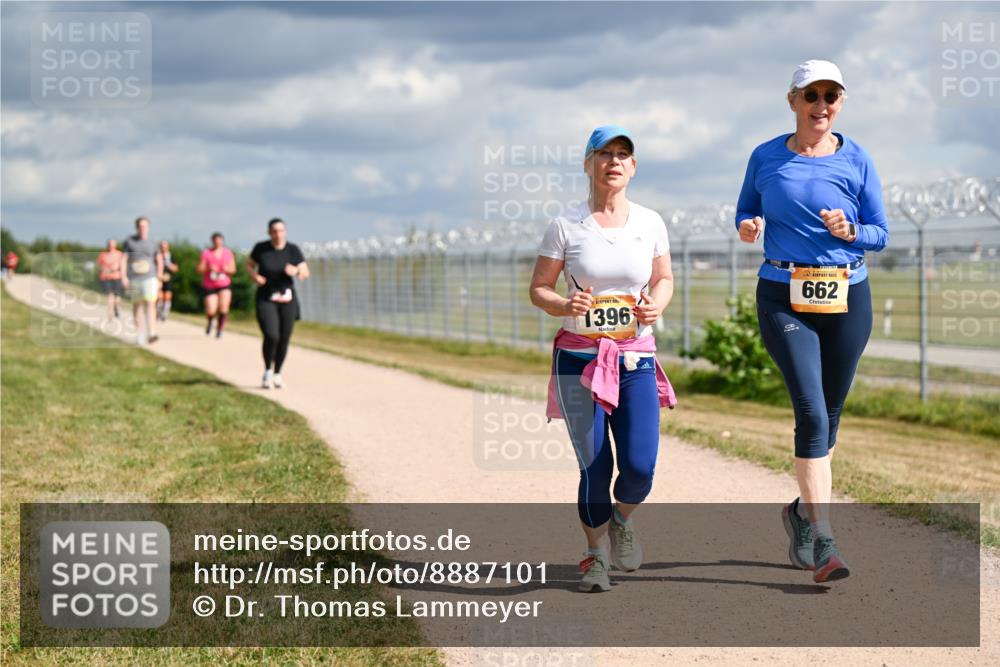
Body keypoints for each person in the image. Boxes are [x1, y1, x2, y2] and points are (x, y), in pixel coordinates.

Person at [735, 60, 888, 583]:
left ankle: (799, 511)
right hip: (784, 293)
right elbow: (744, 212)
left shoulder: (858, 158)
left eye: (832, 96)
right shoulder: (766, 156)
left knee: (832, 411)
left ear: (840, 102)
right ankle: (824, 539)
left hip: (848, 294)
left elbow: (881, 233)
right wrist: (749, 225)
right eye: (812, 95)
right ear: (793, 100)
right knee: (812, 412)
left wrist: (851, 231)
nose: (822, 105)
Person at [529, 125, 677, 593]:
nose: (614, 161)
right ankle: (594, 556)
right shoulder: (565, 225)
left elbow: (664, 279)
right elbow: (538, 289)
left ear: (633, 167)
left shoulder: (650, 222)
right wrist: (563, 304)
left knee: (640, 466)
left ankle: (622, 520)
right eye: (604, 154)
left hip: (635, 358)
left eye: (623, 155)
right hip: (580, 360)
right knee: (595, 465)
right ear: (588, 164)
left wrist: (657, 303)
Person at [247, 218, 309, 389]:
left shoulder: (292, 250)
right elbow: (249, 266)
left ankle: (278, 373)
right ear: (269, 232)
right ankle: (267, 370)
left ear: (285, 232)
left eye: (281, 230)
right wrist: (255, 276)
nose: (278, 234)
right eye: (274, 231)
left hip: (287, 299)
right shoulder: (261, 248)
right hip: (266, 298)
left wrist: (296, 271)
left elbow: (305, 272)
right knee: (271, 335)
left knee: (284, 338)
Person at [120, 217, 164, 345]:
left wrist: (159, 278)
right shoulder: (130, 242)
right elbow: (124, 259)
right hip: (134, 278)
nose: (142, 228)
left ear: (148, 227)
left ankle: (152, 332)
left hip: (150, 277)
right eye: (140, 226)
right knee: (137, 305)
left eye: (145, 226)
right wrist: (124, 276)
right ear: (136, 227)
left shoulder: (153, 242)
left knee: (150, 303)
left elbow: (159, 260)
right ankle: (139, 333)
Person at [198, 232, 236, 338]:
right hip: (210, 284)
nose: (218, 242)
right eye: (215, 240)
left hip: (224, 283)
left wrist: (227, 269)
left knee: (224, 307)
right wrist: (208, 268)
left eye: (220, 240)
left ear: (222, 241)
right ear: (212, 241)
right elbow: (199, 269)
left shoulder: (228, 253)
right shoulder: (206, 253)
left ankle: (220, 329)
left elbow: (233, 269)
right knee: (211, 309)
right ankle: (210, 321)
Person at [97, 239, 124, 319]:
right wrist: (103, 270)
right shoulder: (103, 255)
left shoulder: (119, 254)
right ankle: (110, 314)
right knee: (110, 296)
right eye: (109, 244)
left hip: (117, 277)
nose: (110, 246)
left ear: (115, 245)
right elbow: (99, 266)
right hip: (106, 278)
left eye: (112, 244)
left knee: (117, 297)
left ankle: (116, 307)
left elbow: (122, 266)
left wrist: (115, 270)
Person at [157, 240, 179, 322]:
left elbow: (176, 268)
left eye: (165, 247)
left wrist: (169, 265)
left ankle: (164, 314)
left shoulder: (170, 256)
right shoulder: (157, 256)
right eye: (162, 247)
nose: (163, 248)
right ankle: (158, 314)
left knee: (167, 297)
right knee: (159, 297)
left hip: (168, 279)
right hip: (158, 279)